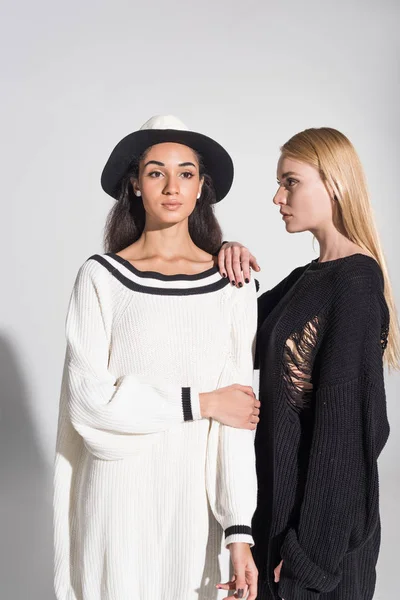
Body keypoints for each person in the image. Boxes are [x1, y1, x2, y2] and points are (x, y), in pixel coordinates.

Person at [53, 115, 260, 600]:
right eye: (156, 172)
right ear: (135, 185)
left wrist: (239, 532)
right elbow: (87, 404)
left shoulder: (232, 285)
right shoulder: (101, 278)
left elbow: (238, 419)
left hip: (190, 505)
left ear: (202, 187)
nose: (172, 186)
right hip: (114, 496)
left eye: (186, 173)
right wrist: (199, 403)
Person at [217, 127, 399, 600]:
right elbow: (232, 337)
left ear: (334, 183)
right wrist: (224, 256)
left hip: (317, 559)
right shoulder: (307, 280)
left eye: (290, 181)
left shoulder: (355, 283)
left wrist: (309, 562)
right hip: (280, 533)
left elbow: (350, 435)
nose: (278, 197)